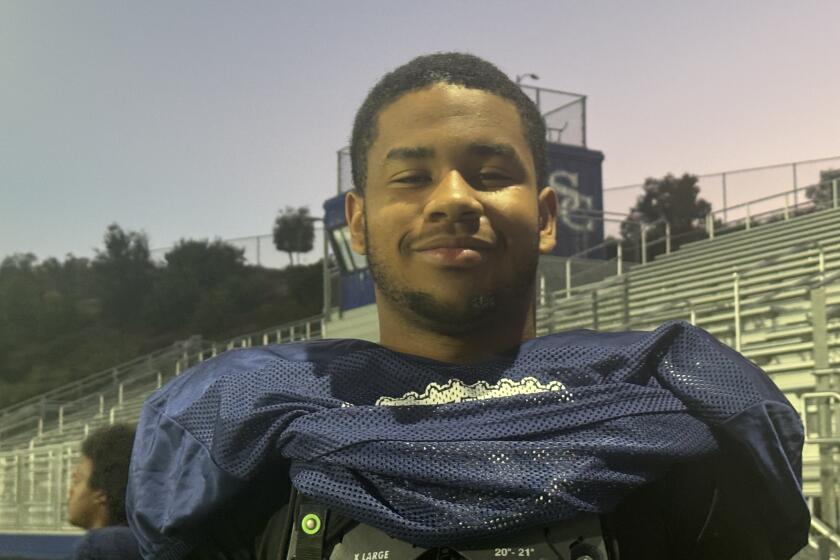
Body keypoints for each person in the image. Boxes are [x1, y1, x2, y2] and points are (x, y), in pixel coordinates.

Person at [127, 53, 809, 560]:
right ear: (358, 226)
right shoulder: (245, 468)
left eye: (490, 174)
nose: (453, 199)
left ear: (545, 217)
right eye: (413, 177)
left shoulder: (689, 449)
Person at [67, 423, 141, 560]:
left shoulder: (99, 547)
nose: (70, 492)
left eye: (77, 481)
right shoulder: (148, 544)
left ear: (101, 494)